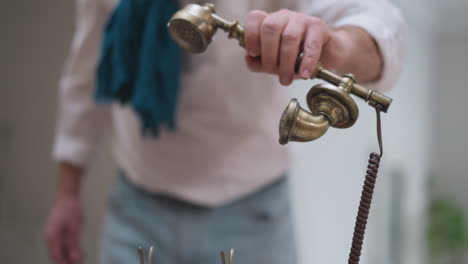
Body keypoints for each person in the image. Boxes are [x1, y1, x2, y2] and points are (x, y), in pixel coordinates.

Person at [44, 0, 407, 264]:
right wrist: (66, 193)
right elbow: (86, 78)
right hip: (137, 207)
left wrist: (334, 46)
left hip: (254, 213)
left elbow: (379, 19)